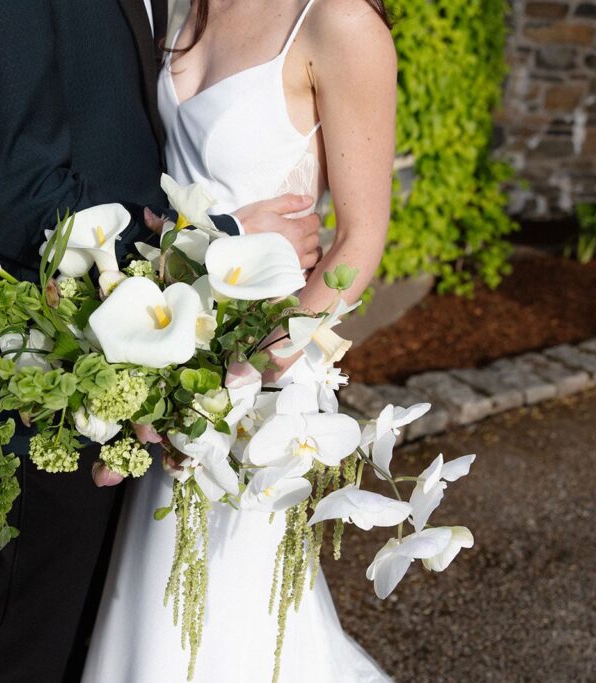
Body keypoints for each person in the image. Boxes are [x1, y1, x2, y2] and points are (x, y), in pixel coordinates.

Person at [0, 1, 323, 680]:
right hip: (48, 372)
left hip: (132, 356)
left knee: (105, 637)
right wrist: (223, 241)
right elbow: (21, 202)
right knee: (36, 641)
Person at [83, 0, 398, 680]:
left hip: (263, 381)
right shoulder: (182, 10)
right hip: (175, 356)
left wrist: (246, 369)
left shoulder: (336, 22)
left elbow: (359, 239)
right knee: (149, 605)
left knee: (230, 615)